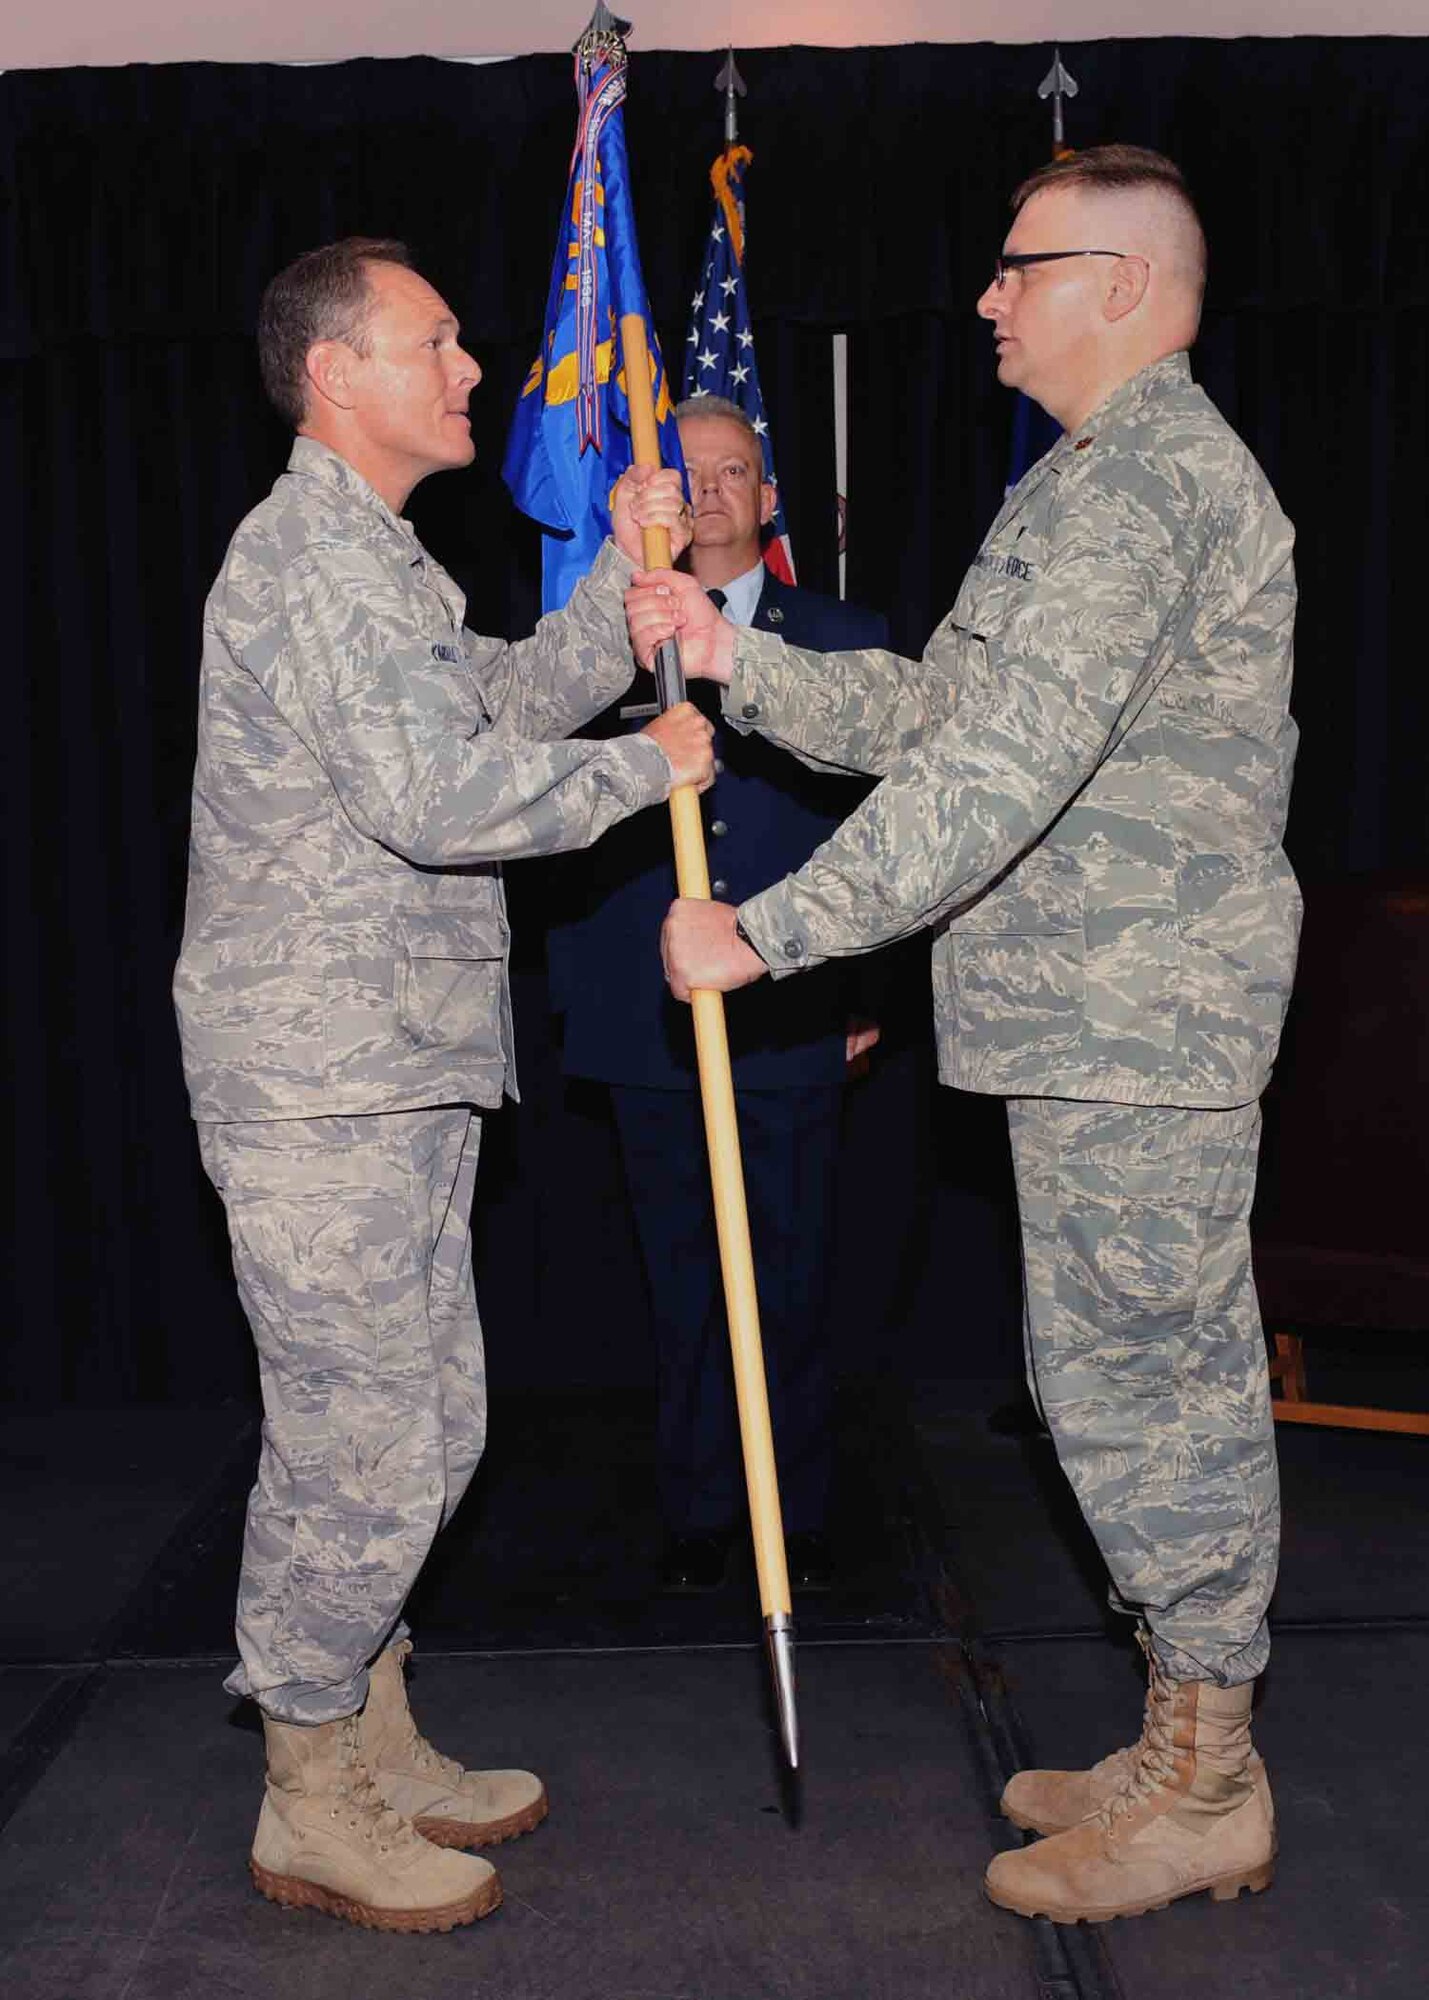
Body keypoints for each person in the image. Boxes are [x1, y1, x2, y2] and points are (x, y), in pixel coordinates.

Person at [629, 147, 1299, 1925]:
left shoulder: (1151, 489)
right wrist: (733, 652)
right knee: (1098, 1385)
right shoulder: (1076, 490)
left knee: (1157, 1392)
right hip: (1085, 1019)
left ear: (1127, 290)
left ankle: (1209, 1779)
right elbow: (943, 708)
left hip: (1136, 1023)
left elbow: (987, 788)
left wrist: (759, 935)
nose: (987, 296)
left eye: (1021, 267)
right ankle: (1179, 1736)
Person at [173, 237, 711, 1933]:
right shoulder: (303, 562)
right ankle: (308, 1795)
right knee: (362, 1441)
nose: (472, 368)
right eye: (434, 343)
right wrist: (644, 770)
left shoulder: (373, 564)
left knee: (421, 1425)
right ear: (334, 374)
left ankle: (372, 1731)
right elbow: (436, 798)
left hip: (386, 1069)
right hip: (318, 1078)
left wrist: (608, 614)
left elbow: (474, 708)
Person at [549, 396, 888, 1594]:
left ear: (771, 495)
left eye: (734, 469)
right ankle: (700, 1508)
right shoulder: (599, 639)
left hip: (792, 1001)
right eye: (685, 471)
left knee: (790, 1269)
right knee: (683, 1269)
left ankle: (792, 1515)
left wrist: (860, 982)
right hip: (653, 1009)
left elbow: (884, 823)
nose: (708, 490)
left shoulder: (843, 637)